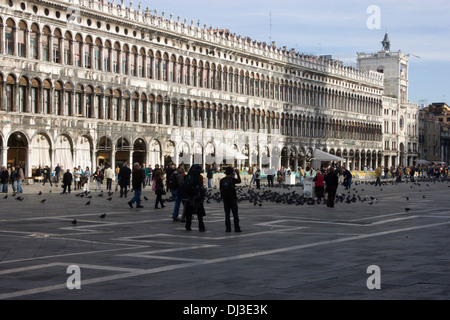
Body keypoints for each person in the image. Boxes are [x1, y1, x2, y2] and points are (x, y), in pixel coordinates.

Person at [183, 165, 206, 232]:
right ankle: (201, 227)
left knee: (188, 212)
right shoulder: (198, 177)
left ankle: (188, 226)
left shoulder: (187, 176)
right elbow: (200, 186)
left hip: (189, 196)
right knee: (199, 213)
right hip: (197, 196)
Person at [220, 167, 242, 233]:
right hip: (232, 198)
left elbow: (220, 189)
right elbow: (239, 181)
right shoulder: (232, 179)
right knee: (235, 214)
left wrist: (223, 197)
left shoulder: (222, 180)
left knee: (227, 214)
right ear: (231, 172)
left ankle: (228, 228)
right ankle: (237, 228)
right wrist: (238, 174)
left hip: (225, 199)